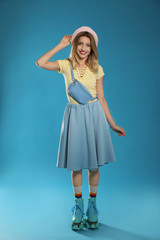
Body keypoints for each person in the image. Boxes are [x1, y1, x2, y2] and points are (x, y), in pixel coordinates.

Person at [36, 26, 126, 231]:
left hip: (94, 115)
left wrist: (112, 124)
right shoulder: (66, 65)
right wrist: (60, 44)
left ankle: (92, 207)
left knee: (94, 165)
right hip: (74, 115)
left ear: (92, 48)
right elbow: (40, 62)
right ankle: (79, 208)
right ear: (75, 45)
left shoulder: (97, 68)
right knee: (76, 165)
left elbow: (101, 98)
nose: (84, 48)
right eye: (80, 44)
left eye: (88, 45)